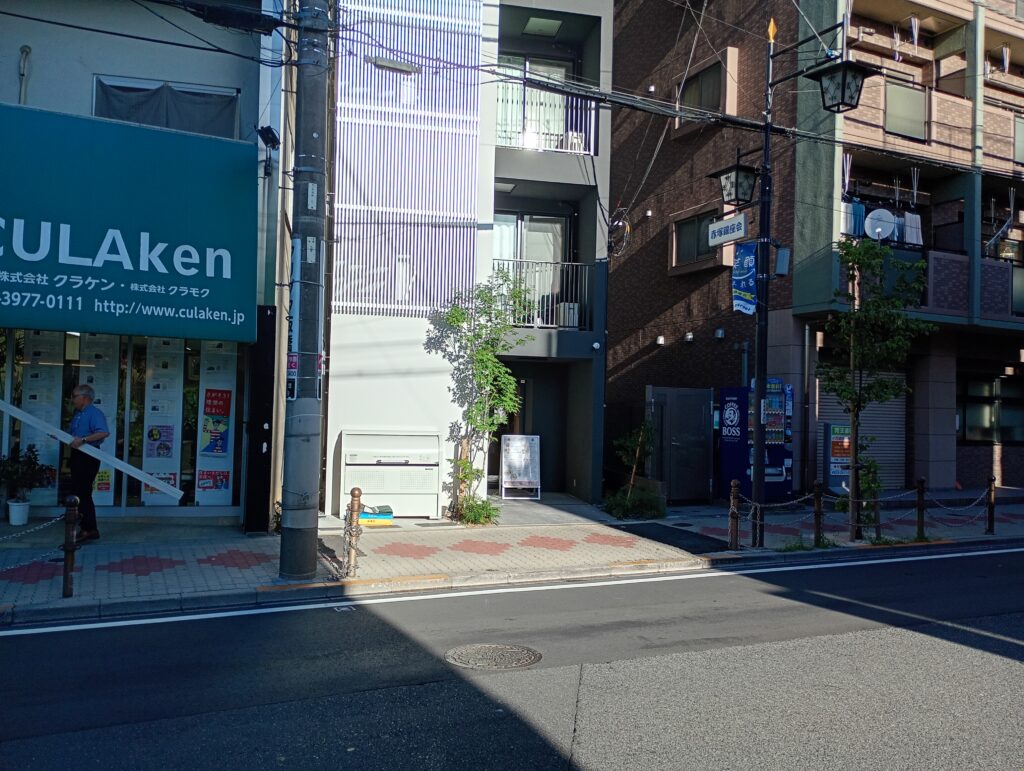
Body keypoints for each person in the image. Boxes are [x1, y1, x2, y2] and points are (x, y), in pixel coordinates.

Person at [68, 384, 109, 544]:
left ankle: (90, 529)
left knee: (83, 491)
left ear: (84, 398)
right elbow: (74, 435)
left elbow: (103, 432)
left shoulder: (94, 413)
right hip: (77, 454)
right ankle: (83, 523)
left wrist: (84, 440)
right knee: (77, 490)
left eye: (74, 396)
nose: (72, 399)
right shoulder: (78, 414)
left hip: (88, 455)